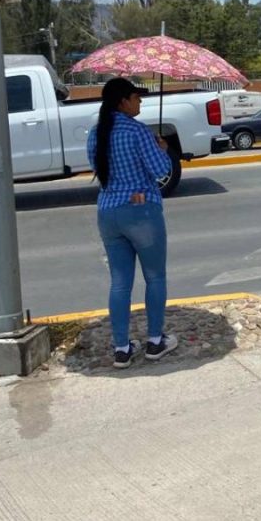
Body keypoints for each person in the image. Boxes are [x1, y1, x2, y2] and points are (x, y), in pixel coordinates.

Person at [87, 78, 177, 369]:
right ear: (123, 101)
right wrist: (162, 148)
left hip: (108, 210)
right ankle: (154, 341)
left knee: (120, 282)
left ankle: (122, 348)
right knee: (155, 277)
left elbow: (98, 168)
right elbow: (162, 171)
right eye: (137, 98)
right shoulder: (138, 131)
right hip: (141, 211)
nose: (140, 103)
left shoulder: (95, 133)